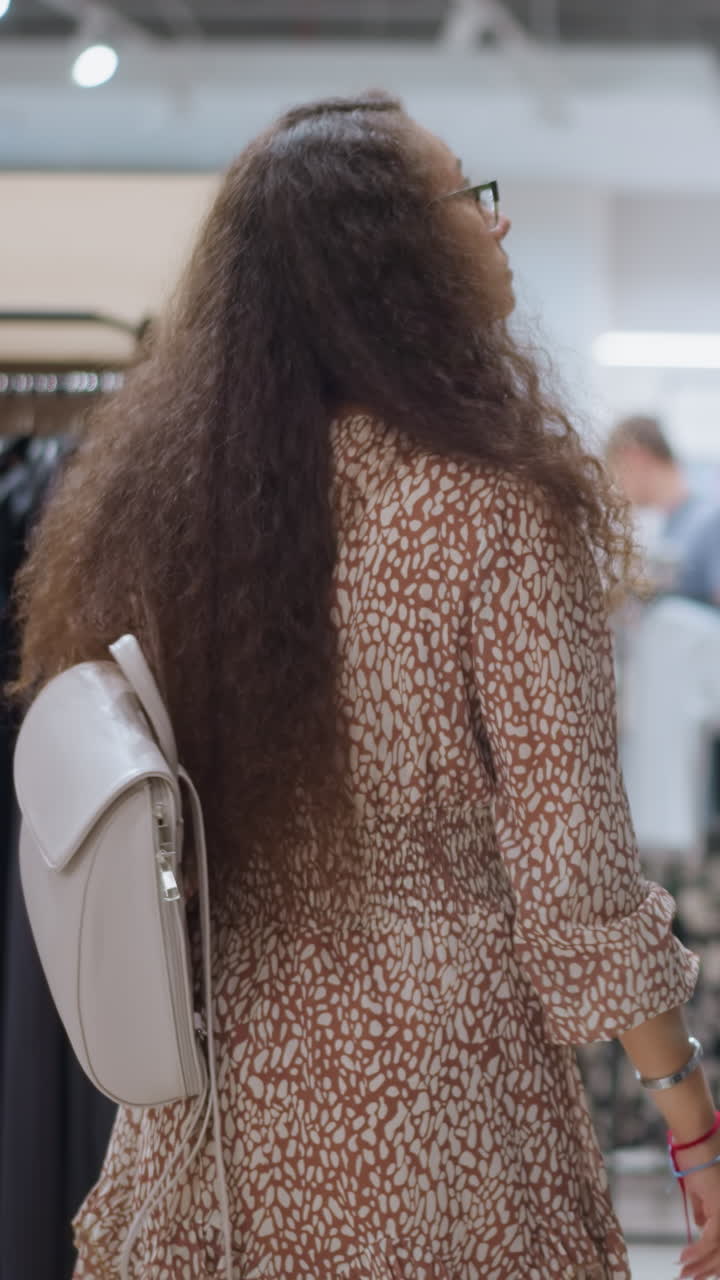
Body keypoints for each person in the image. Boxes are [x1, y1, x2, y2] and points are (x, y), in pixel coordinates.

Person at [10, 91, 720, 1280]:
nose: (494, 229)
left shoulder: (176, 511)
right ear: (386, 258)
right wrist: (694, 1129)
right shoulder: (494, 506)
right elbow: (574, 883)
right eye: (465, 199)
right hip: (439, 1109)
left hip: (218, 1106)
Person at [607, 414, 720, 607]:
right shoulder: (673, 525)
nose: (616, 486)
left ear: (635, 458)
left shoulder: (711, 520)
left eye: (616, 471)